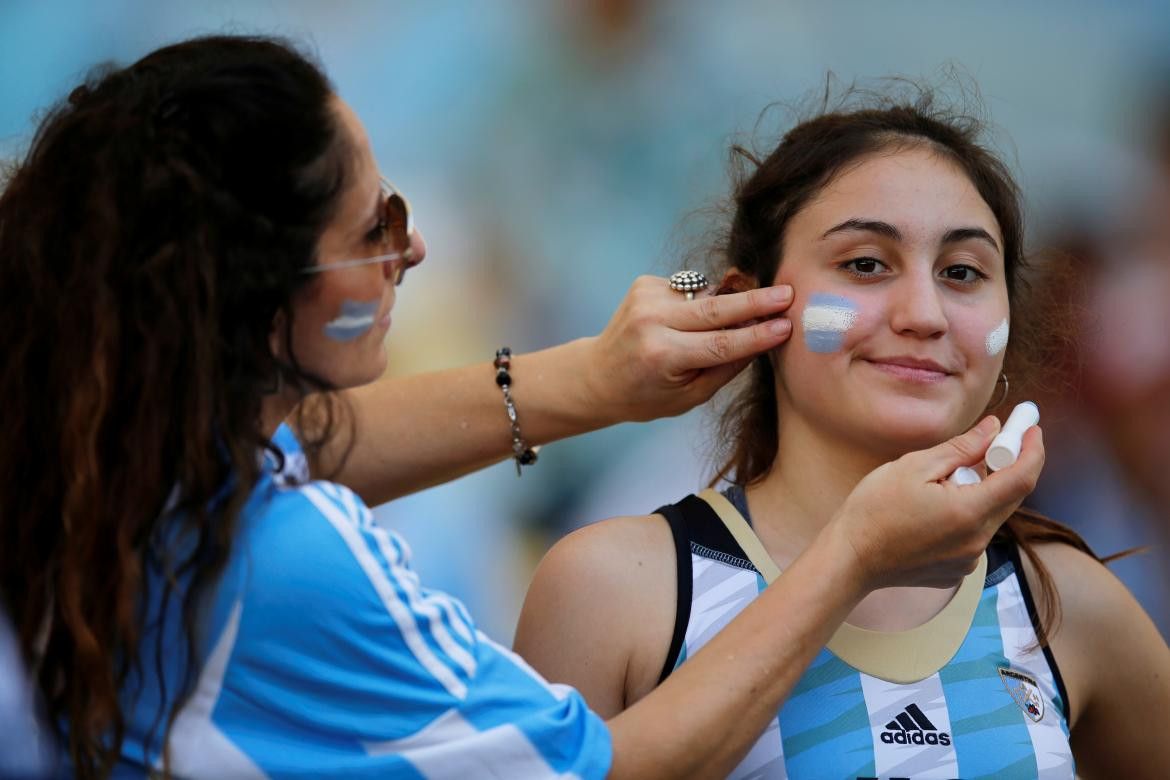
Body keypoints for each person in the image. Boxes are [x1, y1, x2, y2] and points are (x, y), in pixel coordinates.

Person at [0, 37, 1045, 779]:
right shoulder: (564, 579)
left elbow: (281, 448)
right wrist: (855, 551)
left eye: (964, 272)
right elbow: (613, 771)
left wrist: (590, 375)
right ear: (263, 287)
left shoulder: (81, 443)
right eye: (380, 223)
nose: (413, 251)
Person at [515, 91, 1170, 778]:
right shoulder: (610, 589)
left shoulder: (1065, 601)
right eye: (865, 264)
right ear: (745, 306)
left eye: (963, 273)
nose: (925, 313)